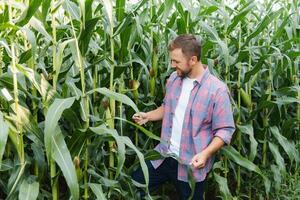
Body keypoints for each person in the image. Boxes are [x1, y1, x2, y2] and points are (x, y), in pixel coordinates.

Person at [132, 34, 235, 200]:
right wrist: (148, 116)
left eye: (176, 62)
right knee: (135, 184)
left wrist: (206, 154)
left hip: (191, 164)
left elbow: (225, 130)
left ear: (193, 60)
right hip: (164, 156)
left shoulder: (217, 90)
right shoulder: (174, 79)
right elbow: (167, 107)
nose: (172, 65)